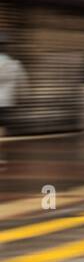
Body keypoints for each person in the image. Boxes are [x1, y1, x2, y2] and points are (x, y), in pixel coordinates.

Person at [0, 34, 25, 166]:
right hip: (6, 103)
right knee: (2, 130)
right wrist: (20, 97)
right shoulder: (14, 64)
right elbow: (22, 84)